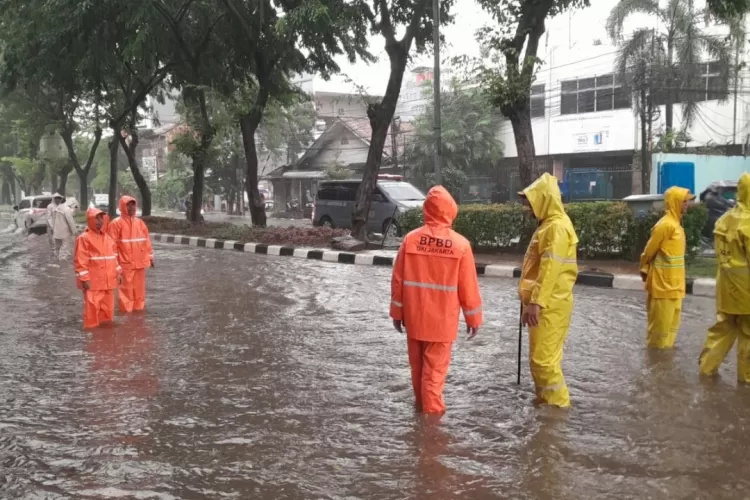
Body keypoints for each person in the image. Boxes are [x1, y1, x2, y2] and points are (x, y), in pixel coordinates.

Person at [390, 185, 482, 415]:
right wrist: (473, 318)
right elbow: (467, 286)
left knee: (418, 372)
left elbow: (398, 281)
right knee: (433, 376)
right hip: (442, 324)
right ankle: (431, 430)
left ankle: (421, 415)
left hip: (414, 319)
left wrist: (397, 314)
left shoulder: (410, 240)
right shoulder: (460, 245)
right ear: (450, 210)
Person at [518, 173, 578, 408]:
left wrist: (536, 303)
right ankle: (545, 404)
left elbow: (550, 270)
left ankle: (558, 410)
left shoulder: (557, 228)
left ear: (543, 200)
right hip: (544, 304)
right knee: (539, 361)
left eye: (531, 202)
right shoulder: (549, 225)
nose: (528, 209)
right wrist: (528, 301)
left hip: (550, 305)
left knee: (544, 362)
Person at [699, 172, 750, 381]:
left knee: (723, 328)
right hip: (746, 290)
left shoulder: (723, 220)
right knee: (748, 333)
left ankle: (706, 369)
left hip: (725, 287)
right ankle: (746, 379)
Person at [639, 186, 695, 349]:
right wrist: (644, 269)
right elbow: (649, 251)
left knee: (670, 332)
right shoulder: (665, 226)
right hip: (662, 287)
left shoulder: (676, 225)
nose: (687, 205)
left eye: (687, 202)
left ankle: (663, 361)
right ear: (675, 202)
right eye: (684, 201)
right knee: (659, 333)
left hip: (676, 287)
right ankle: (655, 364)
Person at [74, 208, 121, 329]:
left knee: (108, 313)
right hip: (93, 284)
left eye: (101, 218)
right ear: (90, 220)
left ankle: (105, 339)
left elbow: (113, 258)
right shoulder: (84, 238)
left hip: (109, 283)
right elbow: (80, 260)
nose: (99, 221)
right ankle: (92, 338)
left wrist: (118, 273)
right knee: (92, 314)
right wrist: (84, 279)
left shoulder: (108, 239)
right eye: (96, 218)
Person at [108, 196, 154, 313]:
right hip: (125, 265)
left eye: (133, 205)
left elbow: (146, 241)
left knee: (139, 291)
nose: (131, 207)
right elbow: (111, 246)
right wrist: (115, 265)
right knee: (125, 291)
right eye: (128, 205)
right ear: (122, 206)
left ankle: (138, 313)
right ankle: (126, 315)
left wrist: (150, 257)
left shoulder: (140, 223)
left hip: (139, 264)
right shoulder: (116, 224)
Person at [50, 193, 77, 260]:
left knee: (57, 248)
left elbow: (53, 220)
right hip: (64, 232)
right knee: (65, 249)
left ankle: (56, 260)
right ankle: (62, 263)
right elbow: (70, 221)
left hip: (56, 232)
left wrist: (53, 229)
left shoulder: (57, 208)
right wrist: (74, 231)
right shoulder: (66, 209)